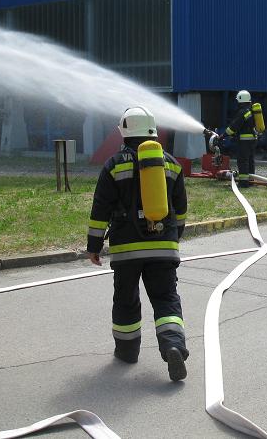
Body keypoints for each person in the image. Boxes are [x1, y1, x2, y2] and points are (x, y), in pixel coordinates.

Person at [86, 105, 189, 381]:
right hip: (164, 247)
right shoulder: (171, 164)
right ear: (153, 132)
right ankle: (173, 346)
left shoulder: (114, 164)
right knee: (166, 299)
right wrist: (172, 239)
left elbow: (100, 209)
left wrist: (94, 246)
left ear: (124, 132)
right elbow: (180, 210)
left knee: (126, 300)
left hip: (126, 250)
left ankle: (128, 351)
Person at [225, 89, 258, 188]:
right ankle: (251, 180)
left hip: (244, 141)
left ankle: (243, 182)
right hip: (253, 140)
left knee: (243, 160)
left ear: (240, 100)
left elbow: (233, 126)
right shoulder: (251, 111)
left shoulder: (243, 112)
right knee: (250, 160)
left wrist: (224, 135)